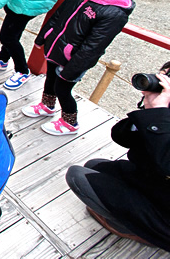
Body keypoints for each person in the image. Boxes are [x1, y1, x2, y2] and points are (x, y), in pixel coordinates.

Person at [23, 0, 136, 135]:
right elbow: (59, 15)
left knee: (63, 88)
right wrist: (43, 36)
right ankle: (47, 105)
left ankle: (70, 122)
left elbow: (93, 47)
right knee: (51, 79)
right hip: (56, 48)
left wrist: (73, 69)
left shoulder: (114, 13)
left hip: (73, 59)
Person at [65, 62, 170, 251]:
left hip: (166, 212)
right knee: (94, 165)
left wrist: (159, 117)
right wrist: (151, 112)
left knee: (77, 176)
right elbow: (120, 135)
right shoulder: (164, 115)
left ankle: (136, 229)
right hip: (154, 182)